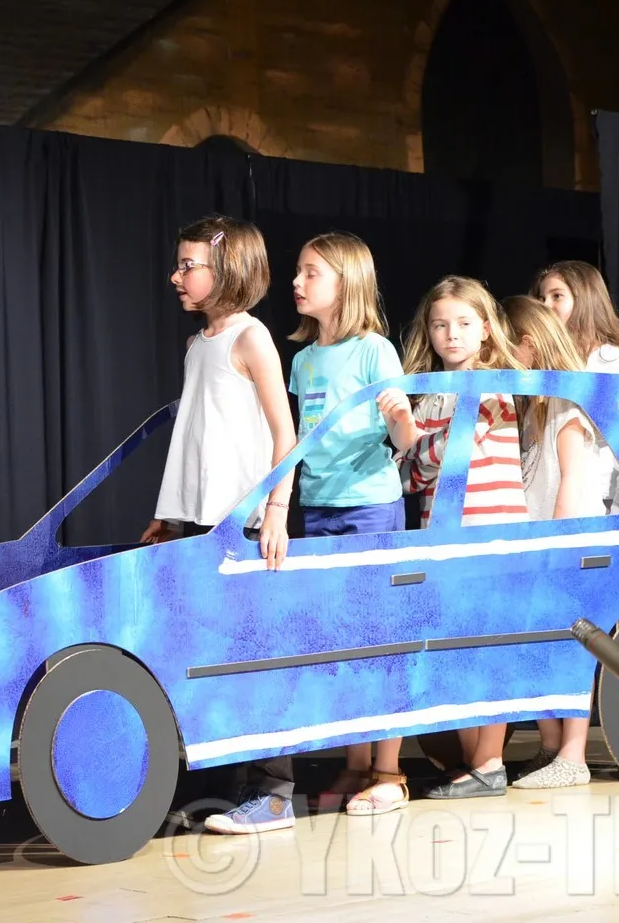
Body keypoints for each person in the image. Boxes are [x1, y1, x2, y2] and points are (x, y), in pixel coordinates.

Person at [203, 230, 403, 835]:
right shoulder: (304, 359)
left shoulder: (374, 350)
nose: (296, 281)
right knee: (336, 642)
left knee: (376, 637)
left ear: (347, 281)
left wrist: (401, 421)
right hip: (317, 507)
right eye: (297, 270)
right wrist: (282, 505)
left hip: (369, 507)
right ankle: (356, 765)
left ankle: (389, 774)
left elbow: (401, 429)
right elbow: (294, 439)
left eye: (311, 272)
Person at [374, 276, 526, 804]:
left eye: (463, 323)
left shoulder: (490, 384)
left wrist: (410, 436)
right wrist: (415, 440)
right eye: (440, 325)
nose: (451, 334)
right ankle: (473, 763)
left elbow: (443, 454)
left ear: (485, 329)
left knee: (486, 646)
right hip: (444, 536)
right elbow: (411, 475)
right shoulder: (434, 393)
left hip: (489, 533)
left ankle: (490, 762)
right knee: (456, 649)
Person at [142, 214, 294, 565]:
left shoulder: (250, 338)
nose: (175, 276)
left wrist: (277, 510)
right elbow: (194, 437)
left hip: (241, 519)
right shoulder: (194, 345)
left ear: (227, 269)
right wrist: (171, 516)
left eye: (187, 266)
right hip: (200, 515)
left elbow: (285, 433)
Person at [501, 295, 602, 788]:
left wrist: (557, 545)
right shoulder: (532, 406)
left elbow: (573, 478)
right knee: (535, 642)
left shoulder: (565, 403)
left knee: (568, 646)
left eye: (505, 349)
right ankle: (549, 744)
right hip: (537, 541)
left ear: (528, 345)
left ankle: (573, 755)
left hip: (566, 544)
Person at [532, 260, 619, 514]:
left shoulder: (616, 362)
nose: (545, 306)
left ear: (585, 299)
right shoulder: (548, 366)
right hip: (548, 505)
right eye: (542, 298)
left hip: (597, 508)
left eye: (557, 296)